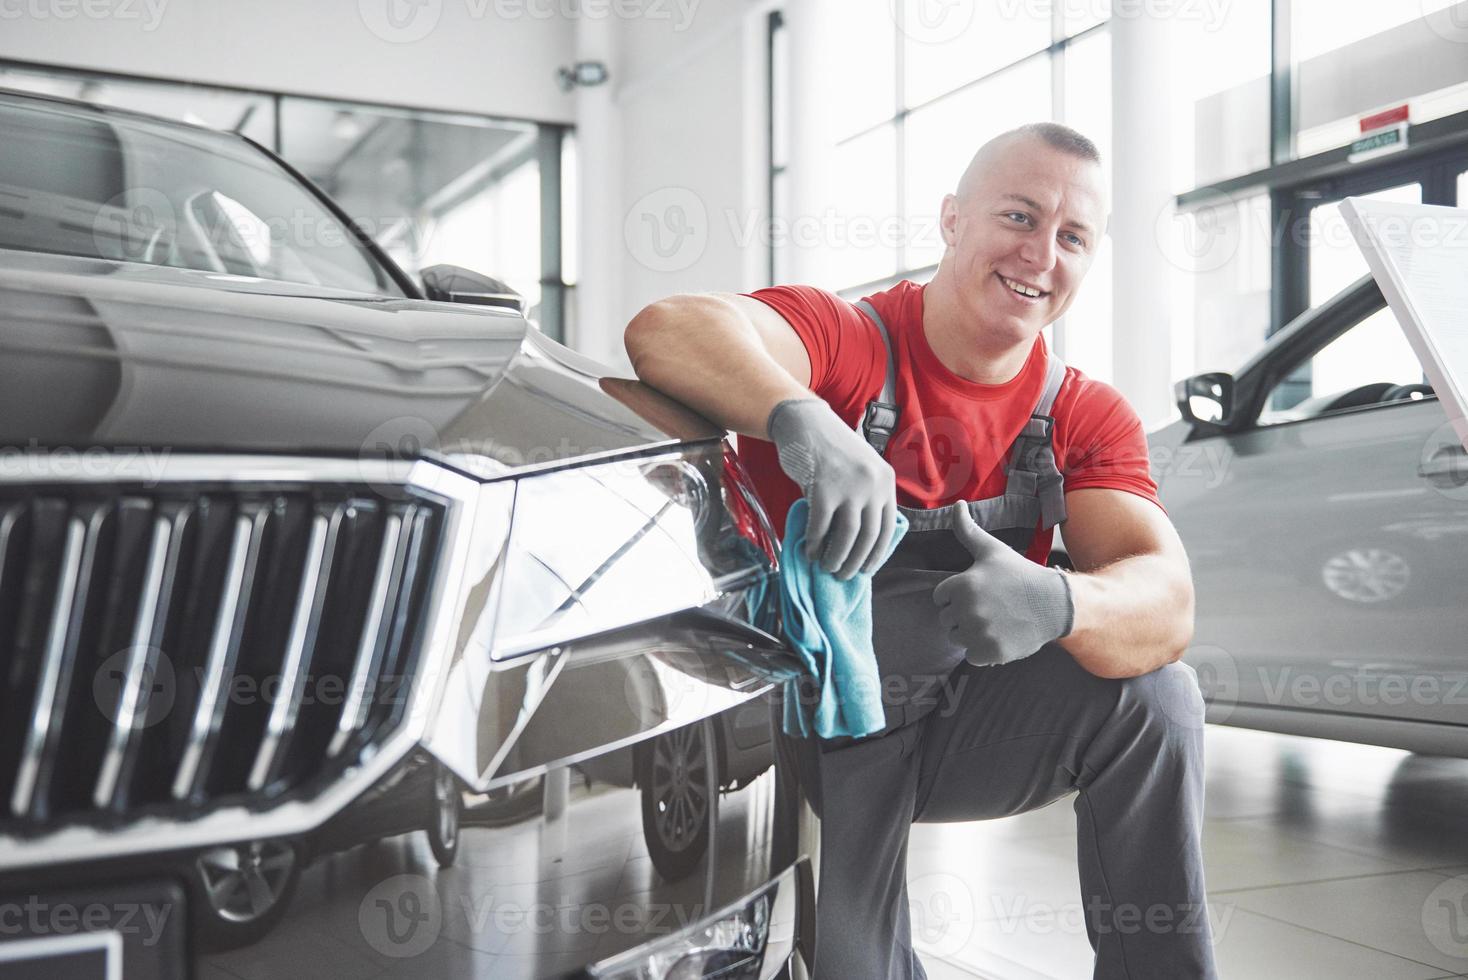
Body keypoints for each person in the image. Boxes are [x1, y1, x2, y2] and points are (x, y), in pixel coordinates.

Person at [623, 122, 1218, 979]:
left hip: (965, 733)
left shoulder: (1081, 415)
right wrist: (805, 420)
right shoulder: (849, 342)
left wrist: (1063, 604)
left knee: (1160, 700)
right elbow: (669, 329)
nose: (1041, 253)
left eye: (1073, 237)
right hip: (808, 730)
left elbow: (1167, 602)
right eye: (1019, 216)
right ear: (951, 220)